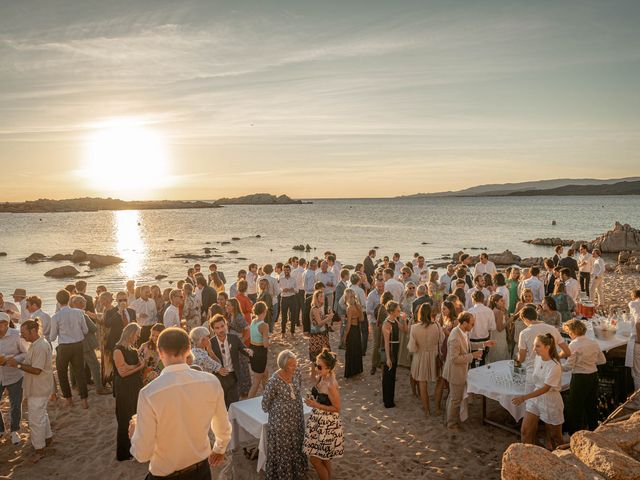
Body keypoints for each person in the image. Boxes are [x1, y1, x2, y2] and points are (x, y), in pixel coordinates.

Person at [130, 327, 232, 479]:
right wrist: (219, 448)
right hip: (201, 471)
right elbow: (223, 426)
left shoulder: (149, 393)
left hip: (165, 474)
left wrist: (134, 434)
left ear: (160, 352)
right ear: (189, 350)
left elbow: (143, 454)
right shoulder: (211, 381)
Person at [7, 319, 53, 457]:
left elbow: (37, 370)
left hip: (39, 388)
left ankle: (39, 449)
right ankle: (48, 438)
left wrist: (18, 366)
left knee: (35, 420)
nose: (21, 336)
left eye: (23, 333)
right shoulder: (35, 344)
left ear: (33, 331)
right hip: (38, 387)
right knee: (41, 415)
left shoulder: (40, 346)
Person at [512, 334, 564, 449]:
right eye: (534, 346)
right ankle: (528, 458)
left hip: (551, 400)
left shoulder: (555, 366)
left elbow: (545, 388)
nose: (534, 349)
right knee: (525, 431)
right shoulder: (537, 358)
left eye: (538, 346)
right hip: (536, 397)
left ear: (547, 347)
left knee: (555, 437)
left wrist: (524, 398)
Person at [261, 350, 307, 480]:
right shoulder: (273, 381)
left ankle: (297, 472)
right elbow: (265, 404)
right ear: (283, 365)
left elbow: (299, 389)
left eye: (295, 364)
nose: (294, 367)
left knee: (297, 443)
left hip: (297, 417)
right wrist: (280, 410)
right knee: (284, 449)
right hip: (281, 422)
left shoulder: (297, 372)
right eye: (291, 365)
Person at [303, 349, 344, 480]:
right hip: (318, 421)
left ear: (329, 368)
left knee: (315, 461)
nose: (316, 368)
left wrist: (315, 405)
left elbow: (337, 408)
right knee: (324, 458)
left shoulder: (331, 384)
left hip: (327, 425)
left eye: (319, 366)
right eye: (316, 364)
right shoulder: (322, 376)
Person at [442, 312, 486, 430]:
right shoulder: (455, 336)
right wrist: (473, 356)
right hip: (455, 372)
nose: (473, 325)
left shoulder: (463, 332)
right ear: (465, 323)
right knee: (455, 399)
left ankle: (449, 420)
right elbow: (454, 359)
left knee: (452, 397)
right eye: (472, 323)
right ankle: (451, 424)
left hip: (460, 371)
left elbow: (468, 345)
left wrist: (484, 343)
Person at [562, 319, 606, 432]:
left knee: (575, 406)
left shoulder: (573, 345)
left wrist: (557, 366)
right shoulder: (593, 342)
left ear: (573, 332)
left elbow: (568, 367)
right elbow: (602, 361)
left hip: (580, 377)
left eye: (569, 332)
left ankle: (575, 433)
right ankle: (593, 429)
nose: (569, 334)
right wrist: (589, 361)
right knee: (591, 404)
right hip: (593, 376)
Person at [516, 306, 570, 393]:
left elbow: (521, 358)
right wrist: (554, 357)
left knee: (531, 402)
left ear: (525, 319)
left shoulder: (524, 333)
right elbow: (567, 352)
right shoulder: (553, 329)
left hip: (534, 372)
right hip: (552, 370)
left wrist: (517, 361)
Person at [50, 289, 89, 408]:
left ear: (57, 301)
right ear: (69, 299)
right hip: (78, 345)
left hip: (64, 347)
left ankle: (69, 399)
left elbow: (52, 337)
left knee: (62, 373)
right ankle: (84, 400)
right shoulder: (79, 312)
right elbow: (86, 330)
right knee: (80, 372)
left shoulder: (56, 316)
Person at [113, 323, 144, 461]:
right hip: (124, 388)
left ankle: (135, 448)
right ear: (131, 334)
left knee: (135, 417)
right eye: (137, 334)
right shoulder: (118, 350)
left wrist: (137, 366)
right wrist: (139, 366)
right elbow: (123, 372)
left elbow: (130, 368)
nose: (138, 337)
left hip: (135, 386)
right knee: (125, 418)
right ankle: (124, 453)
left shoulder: (133, 350)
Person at [209, 314, 252, 409]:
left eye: (222, 326)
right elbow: (208, 362)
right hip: (219, 378)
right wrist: (217, 369)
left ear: (226, 325)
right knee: (222, 406)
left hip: (234, 376)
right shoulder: (210, 343)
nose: (221, 330)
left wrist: (249, 351)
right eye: (217, 328)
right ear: (213, 330)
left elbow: (243, 349)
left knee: (233, 405)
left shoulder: (234, 338)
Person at [408, 303, 443, 416]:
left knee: (422, 383)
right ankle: (437, 408)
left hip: (420, 357)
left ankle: (427, 409)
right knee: (439, 381)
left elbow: (412, 348)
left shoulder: (414, 328)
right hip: (435, 356)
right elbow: (441, 341)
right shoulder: (437, 325)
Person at [70, 295, 109, 395]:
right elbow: (93, 328)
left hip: (74, 344)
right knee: (95, 366)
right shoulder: (83, 315)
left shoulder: (69, 314)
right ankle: (99, 388)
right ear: (79, 303)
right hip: (86, 344)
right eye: (84, 302)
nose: (85, 304)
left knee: (79, 367)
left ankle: (78, 387)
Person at [0, 312, 28, 444]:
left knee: (15, 405)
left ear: (6, 324)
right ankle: (0, 430)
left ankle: (14, 431)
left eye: (1, 323)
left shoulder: (16, 335)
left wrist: (13, 359)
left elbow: (26, 353)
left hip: (15, 375)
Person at [381, 301, 408, 408]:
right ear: (392, 312)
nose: (400, 311)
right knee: (388, 376)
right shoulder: (386, 323)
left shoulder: (395, 320)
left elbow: (405, 330)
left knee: (392, 376)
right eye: (398, 310)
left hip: (395, 349)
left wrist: (404, 320)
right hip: (390, 350)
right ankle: (387, 401)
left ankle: (390, 399)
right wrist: (388, 358)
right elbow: (386, 343)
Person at [434, 301, 457, 415]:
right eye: (442, 309)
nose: (442, 311)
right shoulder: (442, 319)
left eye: (445, 309)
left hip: (450, 351)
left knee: (445, 379)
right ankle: (438, 406)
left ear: (450, 309)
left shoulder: (455, 321)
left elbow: (455, 337)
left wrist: (446, 332)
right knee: (442, 379)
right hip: (442, 350)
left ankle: (447, 401)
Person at [225, 298, 252, 398]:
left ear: (234, 306)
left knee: (242, 367)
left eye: (228, 305)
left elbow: (248, 330)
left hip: (238, 345)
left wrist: (242, 342)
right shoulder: (229, 316)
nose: (226, 307)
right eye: (226, 305)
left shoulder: (238, 317)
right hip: (232, 344)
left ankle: (245, 390)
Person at [248, 302, 270, 398]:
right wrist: (270, 339)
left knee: (265, 373)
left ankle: (267, 396)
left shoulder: (253, 321)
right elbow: (265, 344)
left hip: (253, 350)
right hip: (260, 353)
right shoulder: (264, 325)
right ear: (264, 311)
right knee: (256, 381)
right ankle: (248, 401)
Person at [468, 291, 495, 366]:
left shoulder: (470, 311)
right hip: (485, 340)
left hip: (473, 341)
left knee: (474, 363)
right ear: (483, 299)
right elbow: (493, 327)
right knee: (482, 362)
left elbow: (468, 330)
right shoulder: (489, 311)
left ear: (473, 299)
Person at [342, 289, 363, 378]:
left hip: (352, 331)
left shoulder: (349, 308)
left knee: (350, 351)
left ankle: (350, 372)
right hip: (357, 330)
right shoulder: (358, 306)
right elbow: (362, 319)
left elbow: (348, 325)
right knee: (357, 350)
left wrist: (344, 335)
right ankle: (357, 370)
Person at [626, 289, 640, 407]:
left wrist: (639, 339)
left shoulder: (634, 304)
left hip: (638, 342)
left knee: (636, 372)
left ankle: (638, 401)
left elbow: (638, 322)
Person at [487, 294, 510, 363]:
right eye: (501, 301)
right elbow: (500, 329)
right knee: (500, 356)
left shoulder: (493, 311)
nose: (504, 302)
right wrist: (509, 321)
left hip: (493, 336)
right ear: (496, 302)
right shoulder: (499, 312)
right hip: (499, 337)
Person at [279, 264, 298, 336]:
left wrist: (293, 289)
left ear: (290, 270)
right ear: (283, 271)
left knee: (293, 316)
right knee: (284, 316)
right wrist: (282, 290)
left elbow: (297, 290)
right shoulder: (281, 279)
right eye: (285, 270)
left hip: (292, 298)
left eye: (288, 270)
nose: (286, 271)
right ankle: (283, 332)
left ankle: (292, 332)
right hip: (283, 299)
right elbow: (278, 289)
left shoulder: (293, 279)